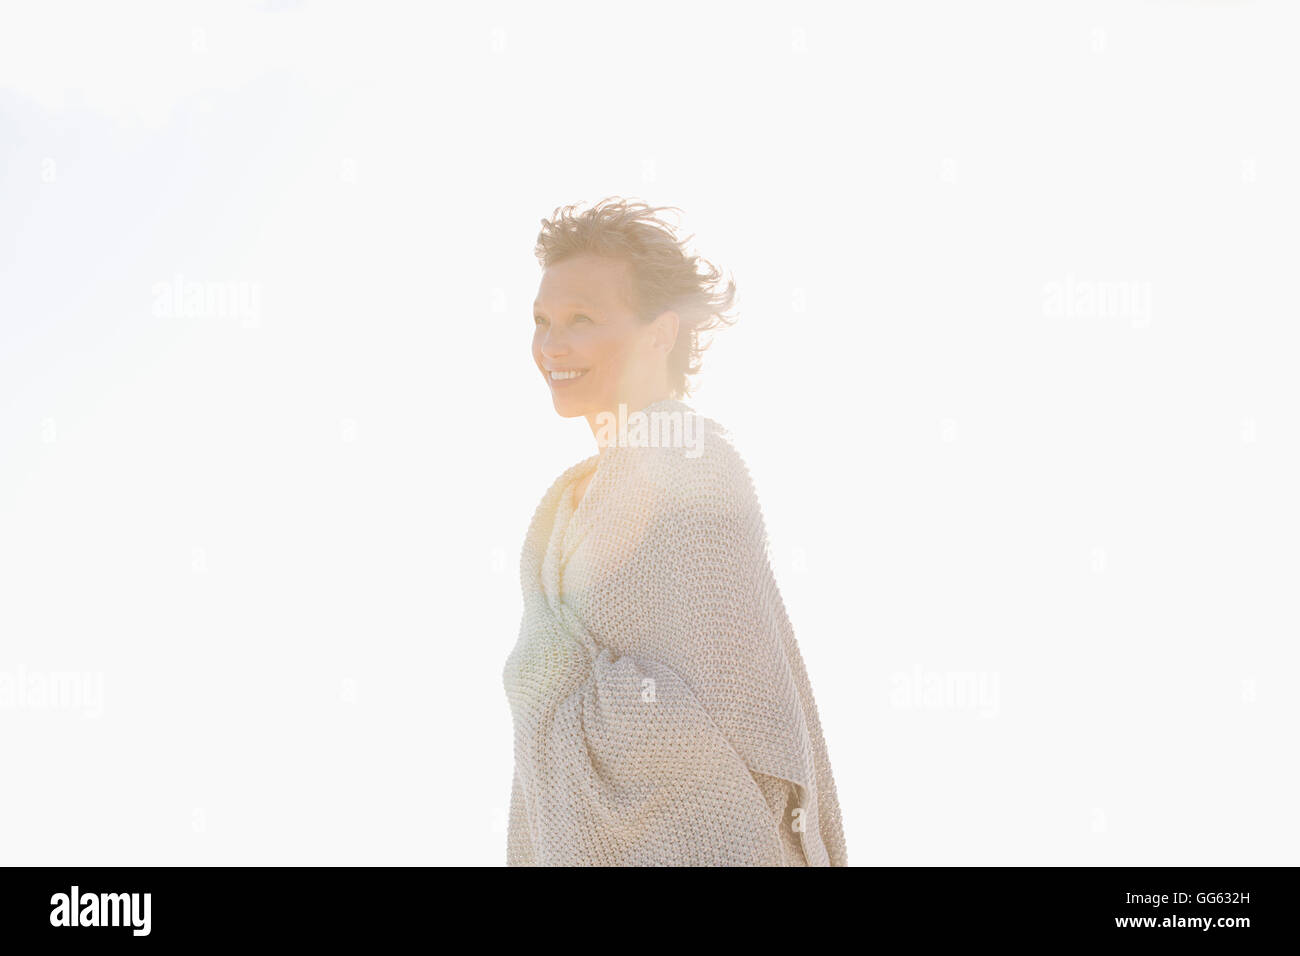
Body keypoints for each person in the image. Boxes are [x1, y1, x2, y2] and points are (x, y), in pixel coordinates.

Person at [502, 197, 848, 866]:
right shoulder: (571, 506)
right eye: (542, 321)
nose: (552, 345)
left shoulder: (690, 465)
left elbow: (749, 714)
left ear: (659, 334)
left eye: (582, 320)